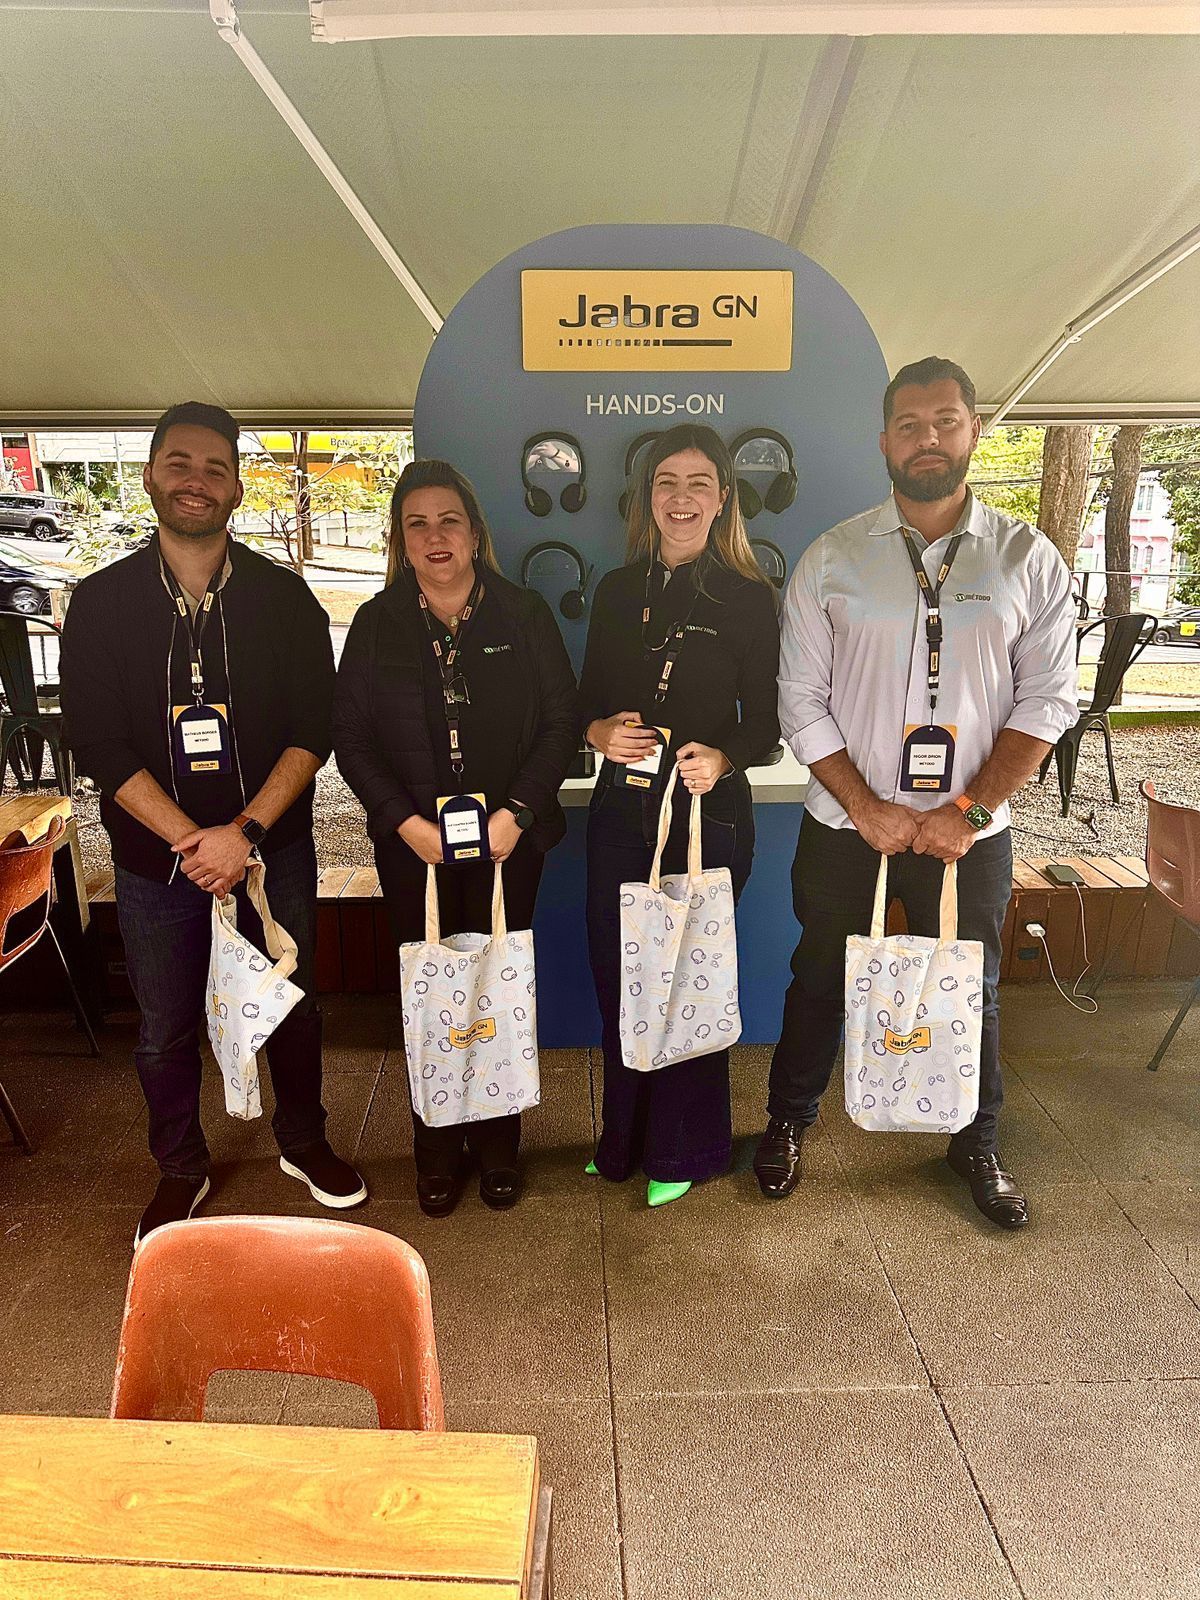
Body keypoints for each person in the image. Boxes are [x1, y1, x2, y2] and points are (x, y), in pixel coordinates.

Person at [757, 356, 1078, 1227]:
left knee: (968, 982)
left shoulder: (1026, 557)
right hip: (844, 825)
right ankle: (788, 1122)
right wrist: (868, 806)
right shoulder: (834, 557)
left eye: (945, 421)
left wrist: (966, 811)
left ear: (975, 430)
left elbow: (1050, 697)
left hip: (969, 831)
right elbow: (799, 699)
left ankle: (976, 1140)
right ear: (884, 440)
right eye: (909, 424)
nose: (927, 439)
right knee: (819, 972)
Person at [61, 400, 366, 1244]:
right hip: (156, 864)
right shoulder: (101, 602)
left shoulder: (285, 599)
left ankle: (305, 1143)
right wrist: (190, 842)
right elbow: (95, 738)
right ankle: (180, 1168)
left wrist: (245, 834)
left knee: (292, 1005)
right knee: (163, 1026)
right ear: (152, 474)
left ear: (236, 485)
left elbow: (318, 727)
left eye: (214, 467)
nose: (196, 480)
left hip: (273, 853)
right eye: (179, 463)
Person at [333, 459, 578, 1217]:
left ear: (475, 533)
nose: (435, 536)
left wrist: (518, 813)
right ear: (400, 541)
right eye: (417, 523)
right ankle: (437, 1146)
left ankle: (500, 1143)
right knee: (431, 996)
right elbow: (352, 739)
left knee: (498, 988)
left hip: (510, 844)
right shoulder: (375, 626)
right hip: (416, 852)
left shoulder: (524, 614)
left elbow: (560, 724)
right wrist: (406, 825)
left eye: (449, 521)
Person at [580, 424, 781, 1208]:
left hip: (706, 817)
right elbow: (586, 699)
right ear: (647, 497)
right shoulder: (617, 591)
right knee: (618, 977)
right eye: (668, 482)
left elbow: (766, 719)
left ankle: (686, 1147)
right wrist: (596, 732)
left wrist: (724, 757)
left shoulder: (751, 596)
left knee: (686, 984)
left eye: (700, 483)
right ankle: (623, 1140)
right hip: (619, 812)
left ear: (723, 498)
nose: (682, 498)